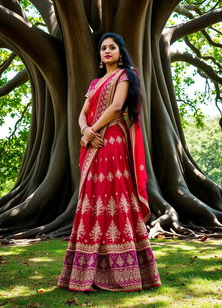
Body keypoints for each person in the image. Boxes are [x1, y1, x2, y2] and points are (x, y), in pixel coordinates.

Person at [57, 32, 161, 291]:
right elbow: (82, 114)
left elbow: (116, 107)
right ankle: (87, 273)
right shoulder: (94, 83)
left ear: (120, 51)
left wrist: (93, 130)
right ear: (100, 55)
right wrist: (85, 131)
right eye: (103, 48)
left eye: (112, 47)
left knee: (113, 193)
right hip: (93, 140)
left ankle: (127, 271)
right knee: (92, 196)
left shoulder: (125, 75)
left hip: (112, 139)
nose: (107, 51)